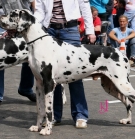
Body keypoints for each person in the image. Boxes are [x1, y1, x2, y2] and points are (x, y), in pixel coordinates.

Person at [34, 0, 96, 128]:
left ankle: (80, 115)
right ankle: (55, 116)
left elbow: (84, 6)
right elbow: (39, 12)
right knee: (51, 76)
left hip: (70, 29)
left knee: (75, 74)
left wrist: (90, 30)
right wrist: (33, 26)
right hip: (49, 30)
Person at [0, 0, 36, 107]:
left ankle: (26, 88)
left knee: (31, 56)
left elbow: (32, 2)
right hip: (1, 26)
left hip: (23, 25)